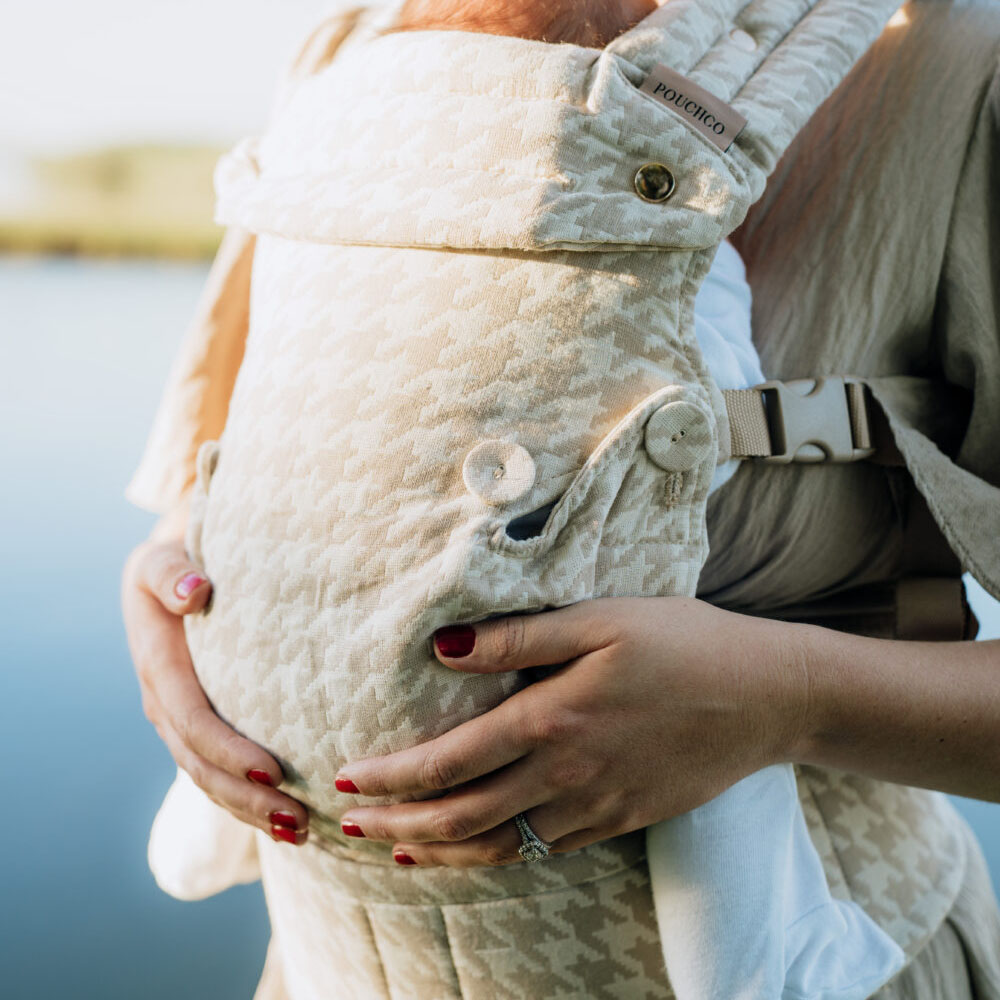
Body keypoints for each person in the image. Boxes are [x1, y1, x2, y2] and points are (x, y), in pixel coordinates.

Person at [122, 1, 1000, 997]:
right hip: (325, 967)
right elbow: (224, 459)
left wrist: (790, 699)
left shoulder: (955, 73)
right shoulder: (352, 50)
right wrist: (169, 602)